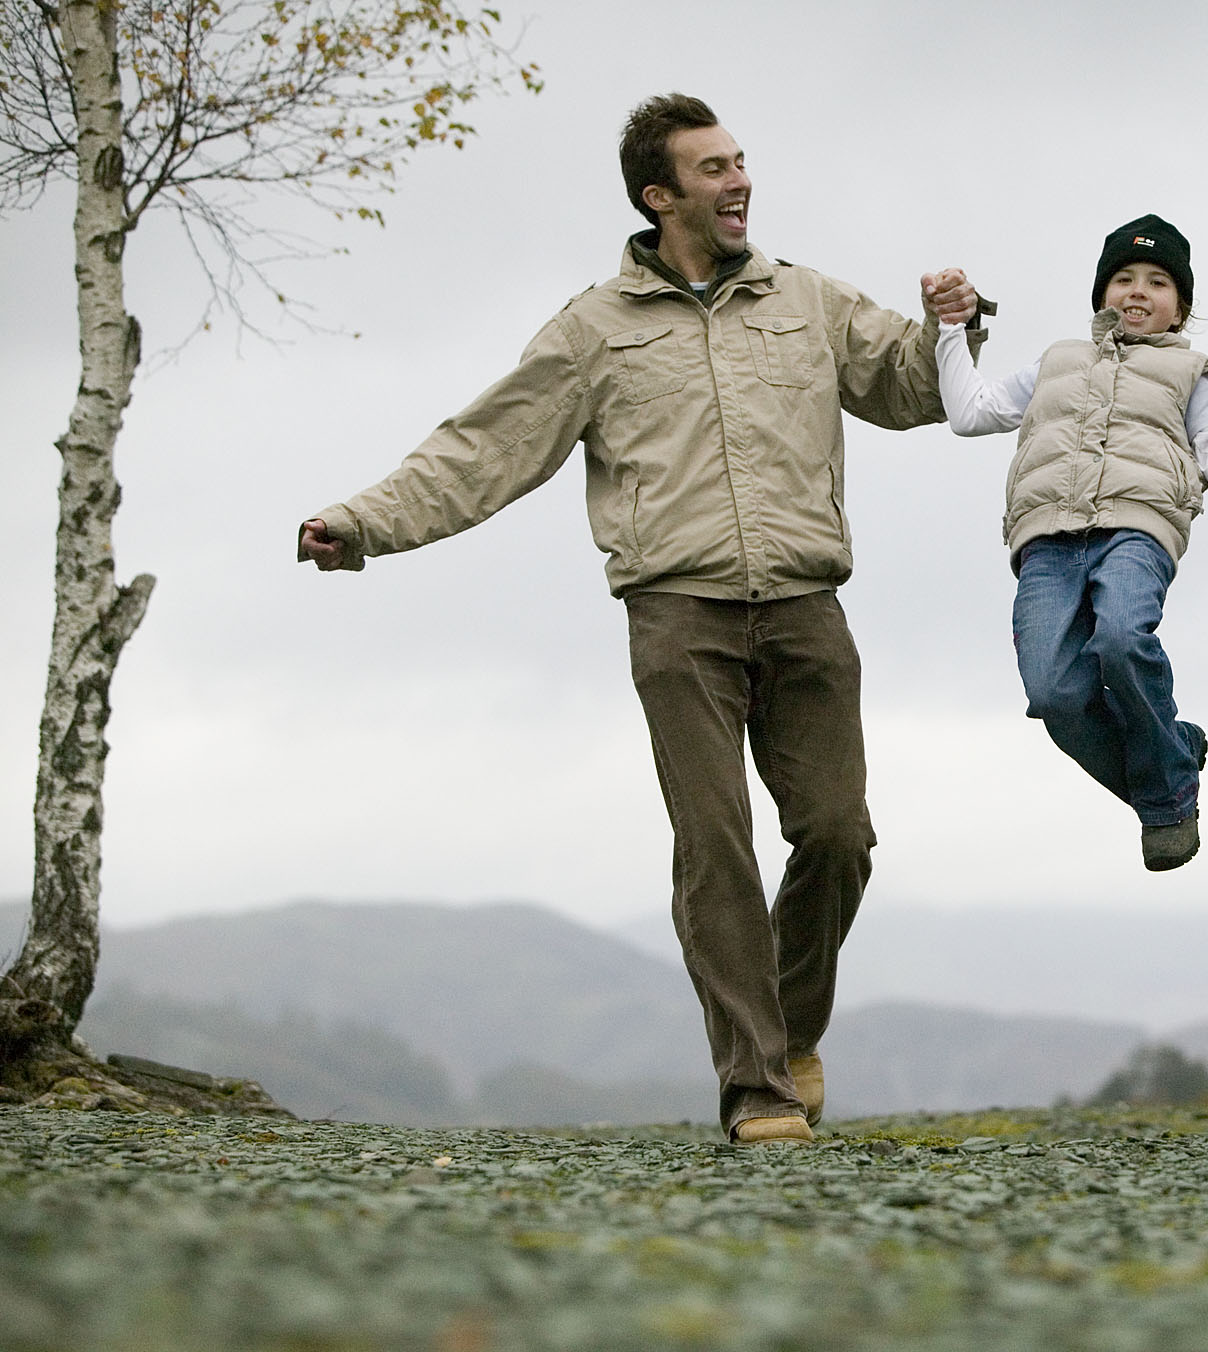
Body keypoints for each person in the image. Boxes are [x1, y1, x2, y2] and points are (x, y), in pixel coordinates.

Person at [297, 93, 983, 1146]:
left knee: (839, 836)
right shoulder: (594, 330)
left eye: (742, 160)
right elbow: (484, 447)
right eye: (714, 168)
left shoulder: (809, 301)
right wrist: (364, 522)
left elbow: (907, 387)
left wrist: (952, 326)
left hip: (806, 605)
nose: (740, 180)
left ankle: (792, 1033)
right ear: (660, 196)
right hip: (677, 615)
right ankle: (755, 1085)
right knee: (715, 846)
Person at [936, 215, 1208, 870]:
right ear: (1101, 294)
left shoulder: (1189, 372)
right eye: (1123, 278)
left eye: (1157, 281)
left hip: (1137, 531)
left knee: (1120, 639)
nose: (1138, 291)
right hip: (1047, 541)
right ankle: (1172, 762)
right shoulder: (1057, 361)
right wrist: (953, 329)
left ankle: (1169, 802)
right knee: (1053, 693)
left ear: (1182, 306)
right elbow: (969, 412)